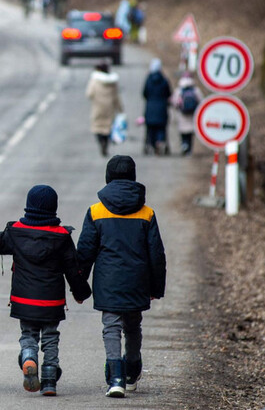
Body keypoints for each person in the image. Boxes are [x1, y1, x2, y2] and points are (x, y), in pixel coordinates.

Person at [75, 155, 166, 398]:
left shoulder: (96, 211)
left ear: (108, 177)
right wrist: (156, 287)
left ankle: (115, 377)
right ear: (133, 177)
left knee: (111, 327)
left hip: (108, 281)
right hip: (138, 281)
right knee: (133, 325)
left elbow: (85, 252)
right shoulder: (146, 213)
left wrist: (79, 284)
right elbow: (156, 254)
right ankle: (132, 369)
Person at [0, 185, 92, 396]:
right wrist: (81, 292)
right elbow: (72, 269)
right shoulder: (62, 236)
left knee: (28, 334)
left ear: (28, 206)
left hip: (24, 300)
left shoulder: (15, 232)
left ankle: (29, 357)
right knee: (50, 337)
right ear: (54, 208)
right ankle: (49, 380)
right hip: (52, 301)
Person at [86, 62, 123, 157]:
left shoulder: (94, 81)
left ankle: (101, 142)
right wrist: (120, 110)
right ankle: (106, 144)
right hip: (109, 108)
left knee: (98, 127)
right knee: (108, 128)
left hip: (98, 108)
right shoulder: (113, 82)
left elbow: (89, 94)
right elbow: (116, 97)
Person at [142, 58, 172, 156]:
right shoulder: (164, 80)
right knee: (161, 128)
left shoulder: (148, 80)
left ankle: (151, 144)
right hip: (162, 108)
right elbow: (169, 93)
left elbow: (144, 93)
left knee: (151, 129)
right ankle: (160, 142)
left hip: (150, 108)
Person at [170, 73, 203, 155]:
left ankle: (184, 145)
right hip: (192, 114)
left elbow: (175, 102)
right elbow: (201, 101)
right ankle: (189, 149)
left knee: (183, 132)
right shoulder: (195, 90)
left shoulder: (179, 90)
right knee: (190, 133)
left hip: (182, 114)